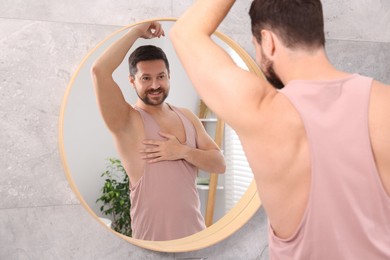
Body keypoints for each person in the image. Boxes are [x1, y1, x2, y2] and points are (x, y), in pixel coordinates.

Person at [170, 0, 390, 258]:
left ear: (268, 41)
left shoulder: (263, 110)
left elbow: (185, 33)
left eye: (255, 46)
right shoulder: (384, 105)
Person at [90, 21, 225, 241]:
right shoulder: (126, 121)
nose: (155, 85)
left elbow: (219, 163)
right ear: (132, 81)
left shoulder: (187, 116)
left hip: (196, 241)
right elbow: (99, 70)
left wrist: (182, 151)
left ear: (169, 76)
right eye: (146, 78)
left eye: (160, 76)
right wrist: (135, 32)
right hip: (153, 247)